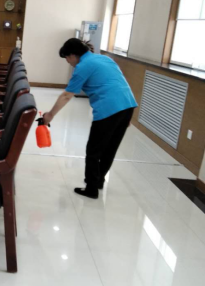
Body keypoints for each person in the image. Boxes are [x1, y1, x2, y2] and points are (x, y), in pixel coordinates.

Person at [43, 38, 138, 199]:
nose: (67, 62)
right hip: (127, 105)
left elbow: (67, 95)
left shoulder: (82, 67)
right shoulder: (104, 59)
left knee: (94, 150)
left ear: (73, 55)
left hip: (109, 108)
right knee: (110, 148)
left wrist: (50, 115)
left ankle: (91, 189)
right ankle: (98, 181)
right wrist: (124, 116)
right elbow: (119, 83)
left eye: (67, 58)